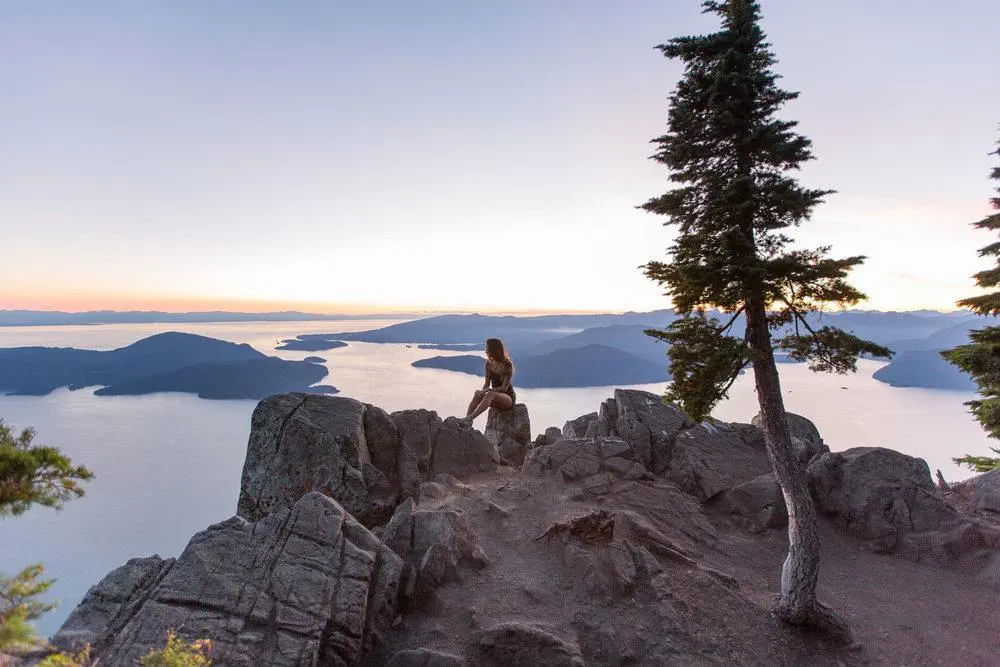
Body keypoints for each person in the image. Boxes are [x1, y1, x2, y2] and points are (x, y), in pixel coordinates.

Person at [464, 338, 515, 423]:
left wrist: (487, 391)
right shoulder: (488, 364)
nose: (486, 351)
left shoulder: (507, 365)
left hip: (508, 398)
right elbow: (486, 384)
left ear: (493, 350)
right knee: (477, 395)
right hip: (495, 396)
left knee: (490, 394)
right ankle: (467, 421)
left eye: (487, 348)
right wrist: (481, 392)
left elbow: (504, 388)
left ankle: (470, 418)